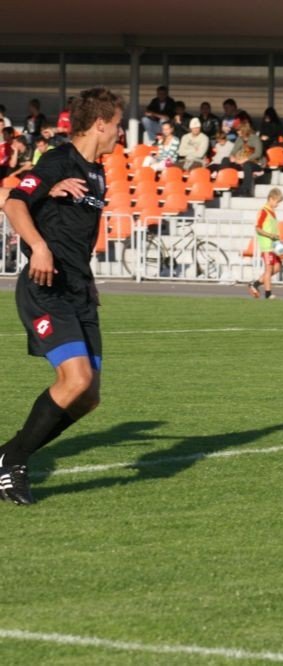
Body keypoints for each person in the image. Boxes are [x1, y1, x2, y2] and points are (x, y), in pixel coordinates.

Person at [0, 87, 124, 505]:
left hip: (78, 289)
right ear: (101, 123)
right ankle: (12, 459)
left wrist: (86, 281)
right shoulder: (58, 160)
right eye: (118, 124)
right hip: (45, 285)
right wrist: (39, 246)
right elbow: (15, 202)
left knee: (89, 397)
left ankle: (9, 454)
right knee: (77, 379)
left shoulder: (96, 171)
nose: (119, 133)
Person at [248, 188, 283, 300]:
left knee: (277, 267)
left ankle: (255, 284)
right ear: (271, 199)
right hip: (267, 245)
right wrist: (270, 235)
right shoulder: (264, 211)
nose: (277, 205)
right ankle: (268, 294)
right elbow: (258, 228)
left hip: (273, 244)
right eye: (277, 202)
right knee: (268, 269)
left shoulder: (272, 212)